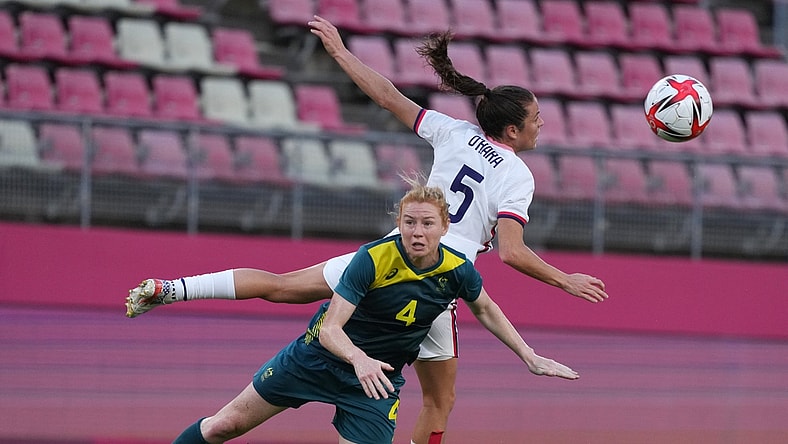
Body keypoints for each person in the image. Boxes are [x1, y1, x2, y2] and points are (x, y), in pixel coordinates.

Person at [126, 16, 608, 444]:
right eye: (536, 119)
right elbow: (512, 253)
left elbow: (386, 96)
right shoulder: (517, 174)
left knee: (280, 286)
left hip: (389, 254)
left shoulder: (453, 131)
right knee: (439, 403)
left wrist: (339, 52)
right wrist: (565, 281)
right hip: (439, 279)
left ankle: (174, 288)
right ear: (511, 133)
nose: (541, 125)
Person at [171, 180, 579, 444]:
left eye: (426, 224)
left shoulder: (457, 271)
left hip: (375, 385)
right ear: (399, 224)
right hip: (314, 360)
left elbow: (486, 309)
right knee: (225, 426)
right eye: (409, 223)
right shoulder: (371, 260)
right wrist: (359, 359)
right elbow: (331, 328)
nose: (417, 232)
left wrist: (530, 357)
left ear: (444, 227)